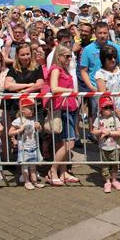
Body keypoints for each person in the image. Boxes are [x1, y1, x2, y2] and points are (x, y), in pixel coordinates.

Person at [43, 43, 78, 186]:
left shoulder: (65, 69)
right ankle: (53, 170)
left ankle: (63, 172)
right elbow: (54, 87)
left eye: (70, 56)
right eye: (67, 56)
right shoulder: (56, 69)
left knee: (65, 142)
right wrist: (71, 91)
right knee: (69, 143)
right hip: (62, 107)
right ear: (59, 56)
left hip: (71, 107)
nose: (69, 59)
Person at [8, 97, 44, 190]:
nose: (32, 111)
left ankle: (34, 181)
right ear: (23, 109)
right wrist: (19, 130)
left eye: (33, 108)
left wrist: (39, 127)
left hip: (34, 146)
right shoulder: (18, 121)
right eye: (30, 108)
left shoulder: (34, 119)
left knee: (33, 165)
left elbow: (39, 131)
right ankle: (27, 181)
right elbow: (10, 132)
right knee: (24, 166)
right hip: (24, 148)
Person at [92, 97, 120, 193]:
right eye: (106, 107)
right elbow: (94, 132)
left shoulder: (115, 119)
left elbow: (119, 133)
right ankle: (107, 182)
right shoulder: (98, 119)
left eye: (110, 107)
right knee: (105, 165)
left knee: (114, 164)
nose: (109, 109)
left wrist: (108, 133)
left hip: (114, 146)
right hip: (104, 147)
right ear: (101, 109)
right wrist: (102, 130)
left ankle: (114, 180)